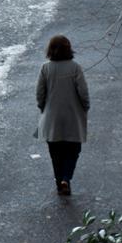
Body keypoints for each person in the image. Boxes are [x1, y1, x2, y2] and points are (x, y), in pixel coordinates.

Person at [35, 35, 90, 196]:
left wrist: (43, 108)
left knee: (55, 153)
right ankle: (66, 178)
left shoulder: (45, 68)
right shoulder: (75, 68)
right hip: (73, 117)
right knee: (73, 150)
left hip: (52, 118)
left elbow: (40, 93)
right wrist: (85, 108)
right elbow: (83, 93)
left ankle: (60, 183)